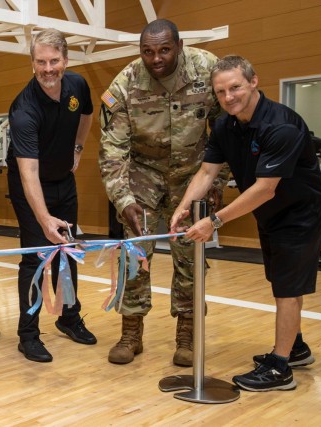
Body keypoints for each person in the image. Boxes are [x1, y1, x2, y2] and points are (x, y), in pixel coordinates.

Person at [171, 55, 321, 392]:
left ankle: (280, 370)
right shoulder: (226, 125)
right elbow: (208, 171)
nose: (229, 97)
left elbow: (265, 188)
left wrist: (214, 221)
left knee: (288, 290)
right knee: (280, 282)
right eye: (221, 91)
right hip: (270, 214)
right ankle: (296, 348)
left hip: (300, 214)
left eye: (235, 87)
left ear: (254, 82)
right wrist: (184, 206)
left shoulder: (280, 125)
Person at [98, 19, 223, 366]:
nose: (156, 58)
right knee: (134, 255)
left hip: (193, 176)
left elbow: (226, 129)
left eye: (164, 50)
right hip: (143, 176)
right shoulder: (124, 84)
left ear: (179, 46)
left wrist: (217, 181)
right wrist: (123, 199)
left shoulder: (207, 69)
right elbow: (112, 151)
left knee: (191, 258)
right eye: (148, 51)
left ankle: (186, 334)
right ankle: (131, 332)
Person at [7, 28, 96, 363]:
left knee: (68, 252)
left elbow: (86, 114)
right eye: (41, 62)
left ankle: (69, 318)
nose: (48, 68)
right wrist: (44, 220)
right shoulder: (24, 110)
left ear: (65, 60)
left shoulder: (77, 85)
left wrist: (77, 149)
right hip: (30, 187)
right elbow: (29, 175)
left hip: (63, 181)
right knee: (35, 259)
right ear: (32, 64)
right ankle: (28, 335)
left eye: (54, 61)